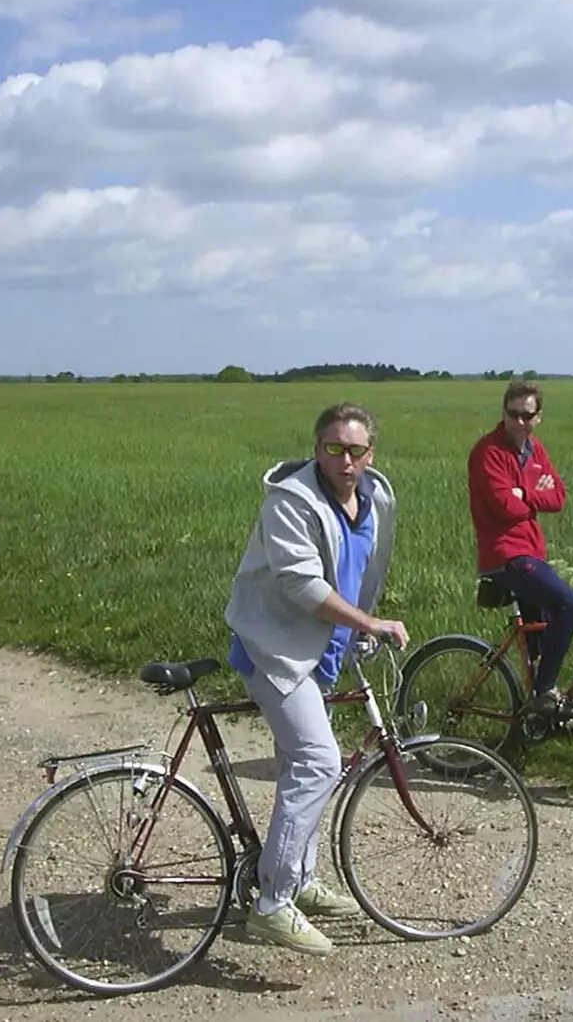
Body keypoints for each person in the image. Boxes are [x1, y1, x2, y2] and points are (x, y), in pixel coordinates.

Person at [223, 401, 409, 958]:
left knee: (298, 768)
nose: (344, 459)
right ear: (316, 449)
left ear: (369, 453)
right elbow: (301, 585)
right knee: (318, 763)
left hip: (319, 652)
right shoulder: (291, 501)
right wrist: (367, 621)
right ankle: (273, 904)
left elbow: (360, 571)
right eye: (333, 448)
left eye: (355, 449)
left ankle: (297, 875)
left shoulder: (374, 499)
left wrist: (357, 630)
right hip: (275, 651)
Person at [466, 378, 573, 721]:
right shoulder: (488, 452)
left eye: (526, 415)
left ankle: (536, 718)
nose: (519, 421)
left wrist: (523, 493)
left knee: (541, 635)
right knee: (569, 604)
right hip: (505, 555)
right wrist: (532, 492)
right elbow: (505, 507)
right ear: (502, 413)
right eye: (512, 414)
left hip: (531, 551)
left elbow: (558, 497)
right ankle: (545, 693)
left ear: (538, 417)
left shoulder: (535, 449)